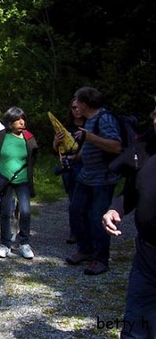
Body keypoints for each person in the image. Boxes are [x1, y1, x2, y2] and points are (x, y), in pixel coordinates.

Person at [102, 106, 156, 338]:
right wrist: (117, 208)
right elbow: (134, 188)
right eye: (155, 115)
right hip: (147, 256)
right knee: (135, 330)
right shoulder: (148, 147)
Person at [65, 86, 122, 276]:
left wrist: (90, 137)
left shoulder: (105, 119)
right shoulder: (90, 121)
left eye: (77, 100)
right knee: (76, 210)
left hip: (102, 180)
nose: (74, 104)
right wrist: (77, 157)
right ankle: (85, 250)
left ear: (85, 103)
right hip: (86, 176)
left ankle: (101, 259)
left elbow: (116, 146)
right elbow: (90, 145)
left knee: (98, 218)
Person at [0, 106, 39, 260]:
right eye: (18, 119)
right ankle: (5, 245)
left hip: (22, 180)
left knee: (25, 211)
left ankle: (24, 243)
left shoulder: (29, 137)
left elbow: (34, 156)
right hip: (5, 180)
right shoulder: (1, 136)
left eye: (23, 118)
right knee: (5, 212)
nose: (22, 122)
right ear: (10, 122)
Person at [52, 99, 85, 244]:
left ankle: (86, 232)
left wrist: (77, 156)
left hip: (83, 167)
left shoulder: (89, 126)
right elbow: (55, 149)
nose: (76, 110)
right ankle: (75, 232)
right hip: (68, 168)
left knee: (84, 201)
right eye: (73, 108)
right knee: (72, 201)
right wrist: (56, 141)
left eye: (78, 107)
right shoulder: (66, 127)